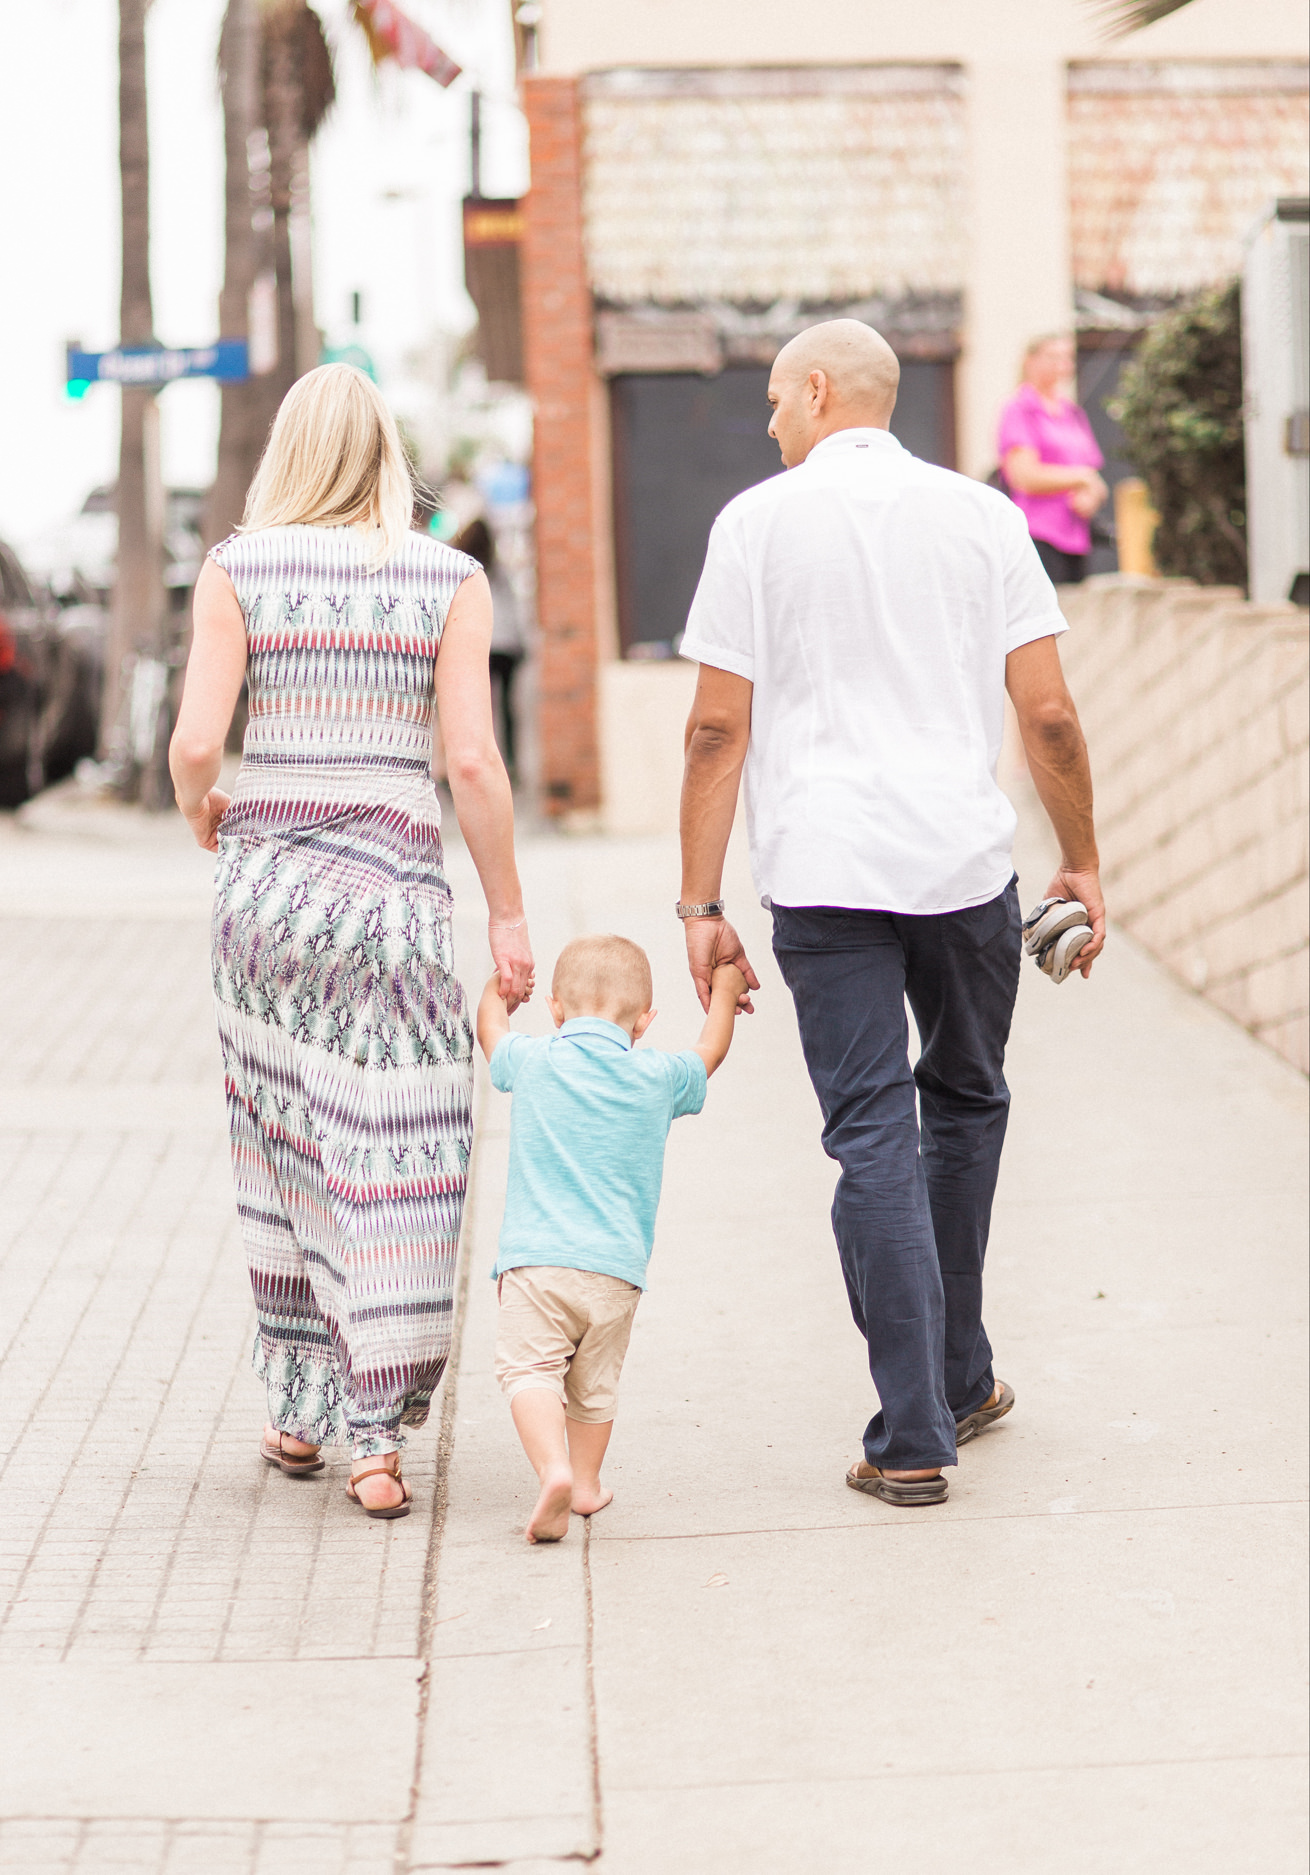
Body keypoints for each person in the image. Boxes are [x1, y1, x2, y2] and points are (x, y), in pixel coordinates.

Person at [676, 319, 1105, 1508]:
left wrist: (699, 900)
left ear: (818, 391)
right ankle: (956, 1378)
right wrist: (1081, 860)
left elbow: (717, 729)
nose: (768, 422)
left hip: (821, 872)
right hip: (964, 867)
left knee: (870, 1132)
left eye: (773, 399)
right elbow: (1049, 715)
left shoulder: (753, 528)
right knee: (961, 1104)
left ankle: (918, 1424)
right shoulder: (983, 516)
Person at [169, 363, 534, 1520]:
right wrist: (509, 911)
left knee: (283, 1153)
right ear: (386, 453)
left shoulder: (236, 571)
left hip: (264, 908)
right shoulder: (446, 577)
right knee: (401, 1157)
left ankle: (297, 1409)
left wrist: (205, 817)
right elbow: (470, 762)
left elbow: (191, 747)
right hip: (390, 907)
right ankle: (375, 1437)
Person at [477, 936, 747, 1543]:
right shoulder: (657, 1075)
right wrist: (725, 993)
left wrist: (498, 991)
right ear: (645, 1020)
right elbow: (710, 1051)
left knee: (531, 1372)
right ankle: (587, 1483)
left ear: (555, 1009)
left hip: (535, 1265)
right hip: (615, 1273)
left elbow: (489, 1030)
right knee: (593, 1387)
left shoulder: (533, 1059)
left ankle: (552, 1470)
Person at [997, 334, 1107, 586]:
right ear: (1030, 361)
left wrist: (1091, 494)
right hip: (1039, 535)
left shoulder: (1071, 412)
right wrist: (1081, 478)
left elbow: (1093, 473)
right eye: (1052, 357)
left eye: (1066, 357)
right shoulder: (1018, 408)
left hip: (1077, 536)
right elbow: (1023, 476)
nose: (1061, 364)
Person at [453, 517, 527, 779]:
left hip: (479, 644)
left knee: (478, 707)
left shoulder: (462, 570)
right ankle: (511, 762)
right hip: (506, 644)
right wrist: (521, 642)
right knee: (508, 707)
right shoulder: (499, 570)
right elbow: (514, 607)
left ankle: (479, 758)